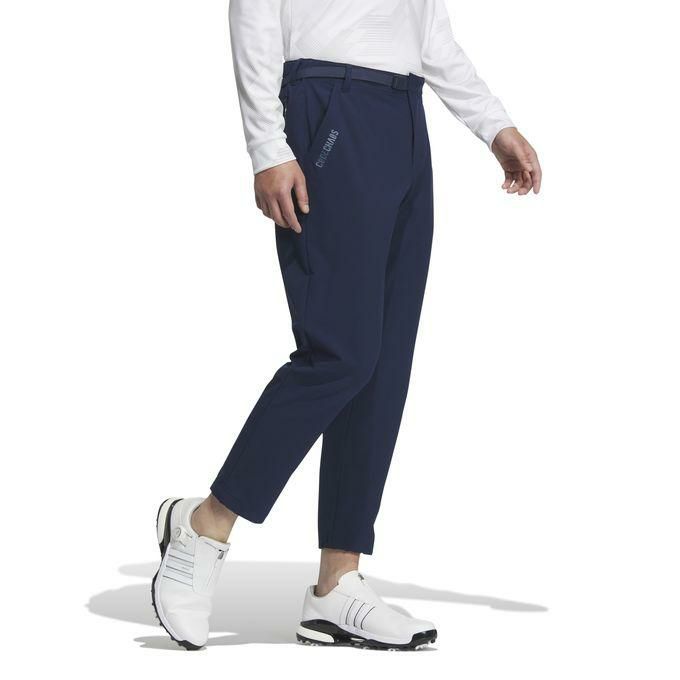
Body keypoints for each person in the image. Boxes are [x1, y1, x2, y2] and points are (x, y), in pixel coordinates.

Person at [151, 0, 541, 652]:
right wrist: (267, 144)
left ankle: (337, 583)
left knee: (383, 365)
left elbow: (430, 34)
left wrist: (494, 125)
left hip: (404, 117)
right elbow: (254, 10)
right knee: (341, 353)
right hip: (329, 105)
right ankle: (206, 524)